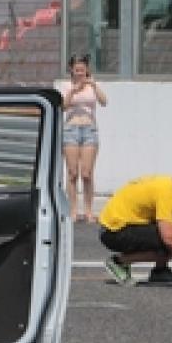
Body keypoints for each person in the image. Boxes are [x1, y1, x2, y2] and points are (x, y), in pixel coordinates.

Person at [98, 172, 172, 285]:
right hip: (114, 232)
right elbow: (170, 239)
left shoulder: (165, 183)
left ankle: (160, 270)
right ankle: (119, 262)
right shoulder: (167, 194)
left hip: (114, 227)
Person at [57, 54, 107, 222]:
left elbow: (104, 101)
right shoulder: (65, 86)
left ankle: (88, 210)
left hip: (89, 129)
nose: (80, 73)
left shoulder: (92, 86)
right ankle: (72, 210)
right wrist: (73, 90)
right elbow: (62, 106)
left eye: (83, 69)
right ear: (71, 69)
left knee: (86, 173)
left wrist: (93, 85)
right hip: (71, 128)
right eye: (77, 69)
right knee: (72, 173)